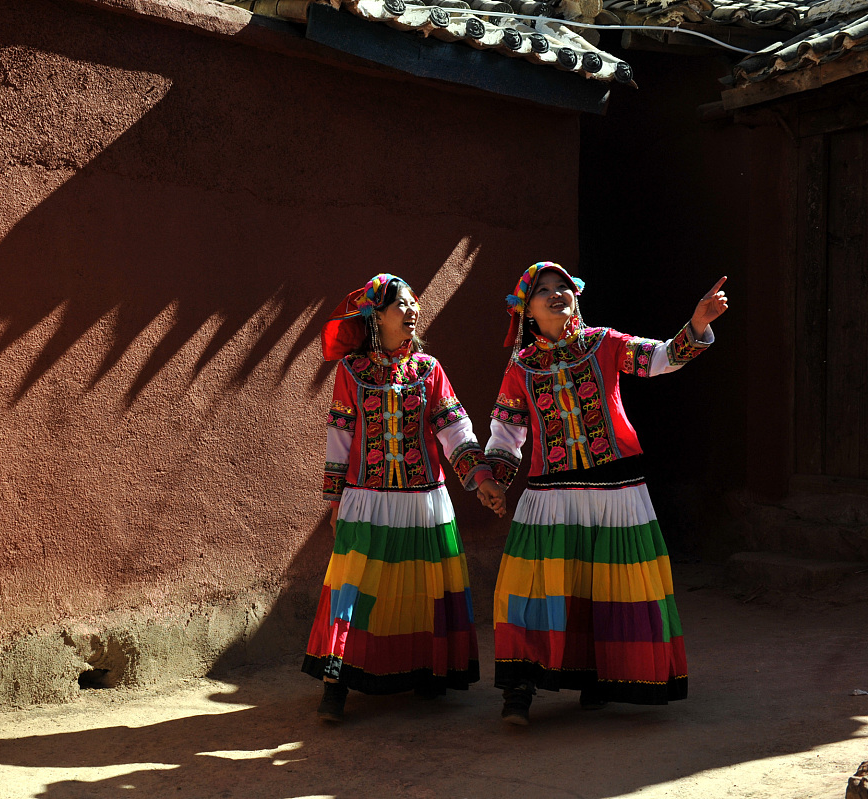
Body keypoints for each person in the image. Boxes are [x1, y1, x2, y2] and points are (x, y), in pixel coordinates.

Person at [474, 261, 728, 725]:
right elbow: (507, 434)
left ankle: (599, 676)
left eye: (563, 286)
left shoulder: (604, 343)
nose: (557, 294)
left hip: (615, 488)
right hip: (550, 493)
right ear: (526, 310)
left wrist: (696, 324)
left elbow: (660, 358)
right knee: (530, 590)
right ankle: (519, 687)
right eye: (544, 290)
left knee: (605, 588)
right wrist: (493, 480)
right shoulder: (521, 367)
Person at [302, 273, 493, 722]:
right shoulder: (352, 371)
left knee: (422, 588)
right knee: (353, 589)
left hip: (424, 497)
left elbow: (453, 427)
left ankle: (425, 669)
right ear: (377, 316)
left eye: (412, 303)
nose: (411, 311)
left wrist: (480, 476)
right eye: (400, 305)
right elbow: (339, 437)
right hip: (367, 498)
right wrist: (335, 500)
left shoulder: (429, 369)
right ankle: (336, 683)